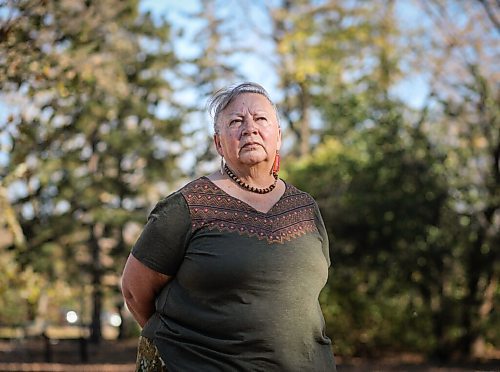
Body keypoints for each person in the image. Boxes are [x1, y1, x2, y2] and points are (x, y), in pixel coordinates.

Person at [121, 82, 337, 371]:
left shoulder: (305, 207)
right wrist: (185, 348)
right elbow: (135, 291)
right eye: (236, 122)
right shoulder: (186, 206)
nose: (250, 128)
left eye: (260, 119)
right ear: (219, 144)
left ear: (279, 138)